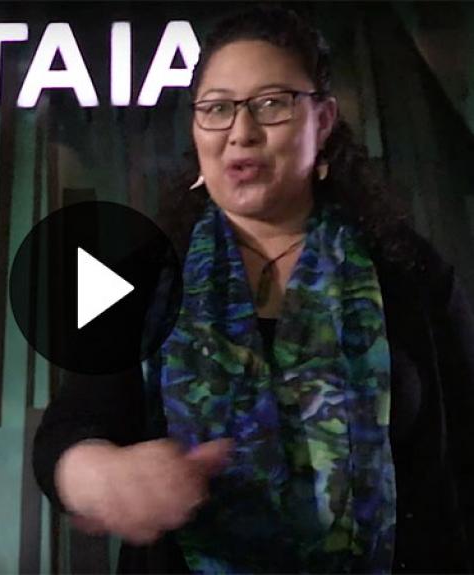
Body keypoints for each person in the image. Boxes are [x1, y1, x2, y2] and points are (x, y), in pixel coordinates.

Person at [33, 6, 474, 573]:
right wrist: (97, 473)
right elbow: (68, 431)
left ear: (323, 119)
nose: (241, 132)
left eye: (271, 104)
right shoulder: (144, 279)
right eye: (217, 109)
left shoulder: (411, 275)